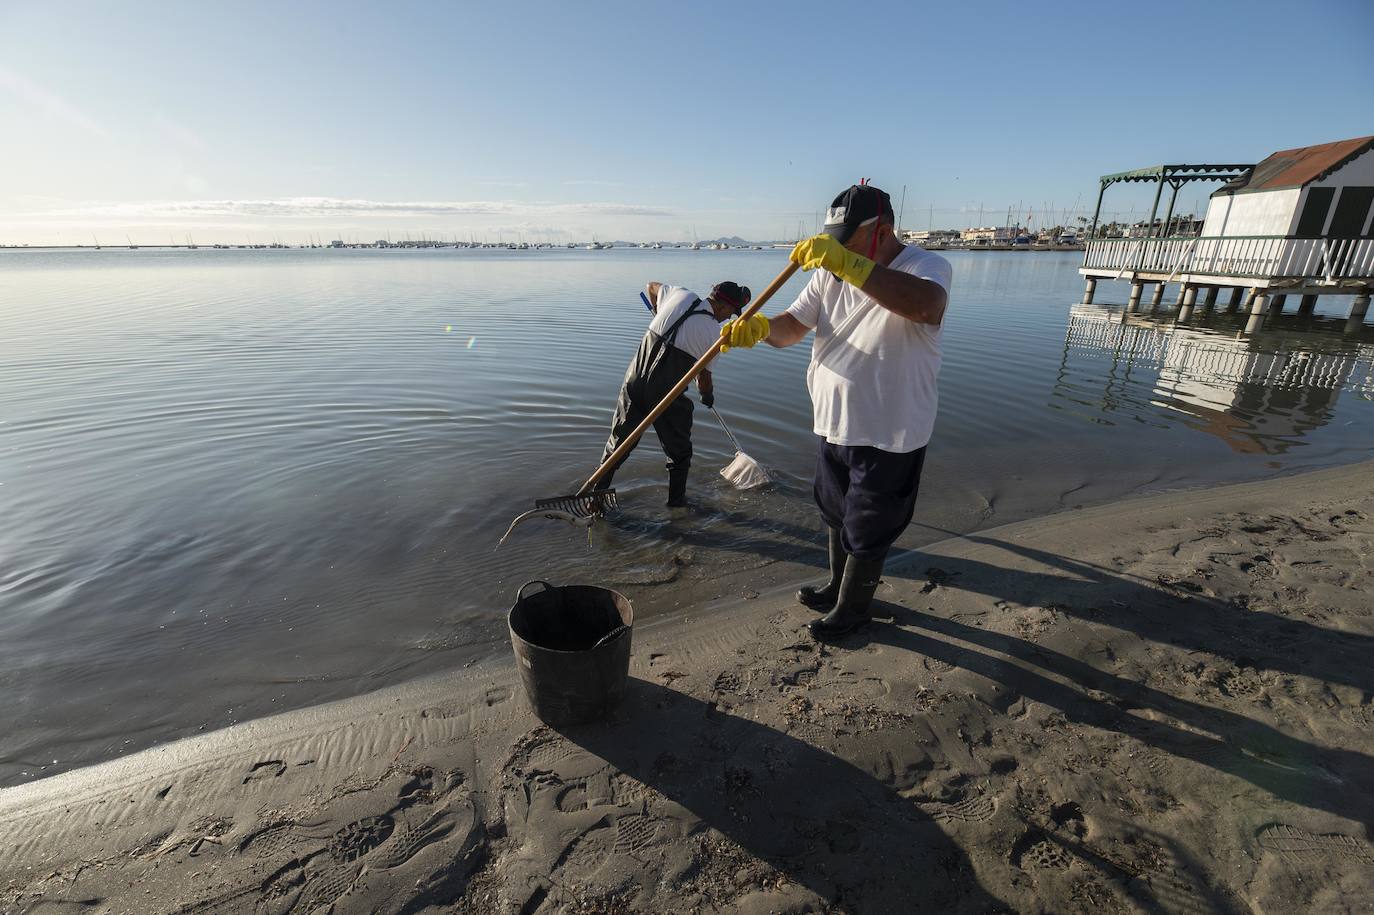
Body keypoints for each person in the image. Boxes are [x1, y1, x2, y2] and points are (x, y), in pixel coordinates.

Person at [720, 182, 951, 639]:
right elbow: (792, 328)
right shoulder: (828, 275)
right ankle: (834, 587)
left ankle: (854, 610)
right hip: (834, 422)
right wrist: (761, 328)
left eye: (846, 240)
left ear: (881, 230)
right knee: (834, 510)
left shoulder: (926, 266)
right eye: (834, 240)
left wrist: (847, 264)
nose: (837, 248)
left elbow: (927, 307)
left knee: (869, 522)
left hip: (891, 429)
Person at [600, 279, 752, 507]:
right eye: (733, 312)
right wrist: (707, 396)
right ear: (723, 306)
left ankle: (595, 498)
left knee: (618, 445)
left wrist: (658, 310)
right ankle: (677, 506)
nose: (731, 317)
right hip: (666, 395)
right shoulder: (713, 333)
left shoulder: (679, 294)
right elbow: (704, 379)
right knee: (680, 455)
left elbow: (651, 286)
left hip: (633, 382)